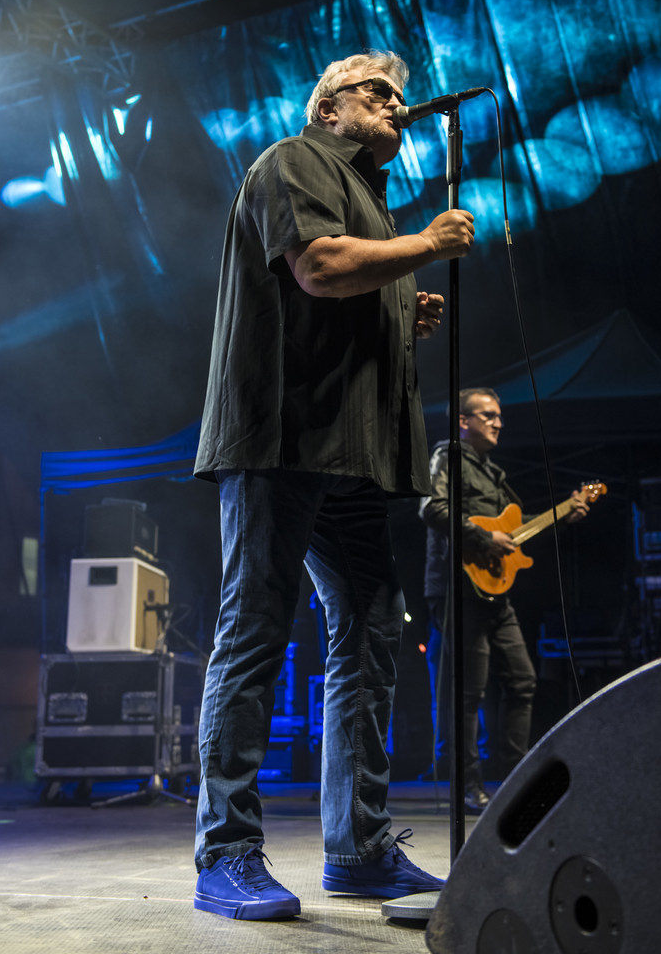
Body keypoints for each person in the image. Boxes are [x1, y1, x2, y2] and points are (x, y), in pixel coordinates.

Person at [191, 50, 475, 921]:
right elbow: (318, 267)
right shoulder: (295, 159)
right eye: (374, 92)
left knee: (372, 633)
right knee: (255, 630)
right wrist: (425, 246)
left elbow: (337, 297)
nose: (395, 104)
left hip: (350, 455)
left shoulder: (370, 198)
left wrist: (400, 311)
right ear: (327, 109)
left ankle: (357, 851)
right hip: (283, 439)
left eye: (398, 95)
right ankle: (225, 853)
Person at [420, 387, 588, 813]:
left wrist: (564, 513)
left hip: (495, 592)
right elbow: (432, 507)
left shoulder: (492, 473)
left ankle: (516, 781)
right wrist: (481, 537)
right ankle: (467, 785)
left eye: (498, 416)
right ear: (463, 421)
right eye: (488, 415)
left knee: (523, 679)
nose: (498, 422)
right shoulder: (447, 457)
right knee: (468, 693)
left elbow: (512, 529)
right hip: (459, 588)